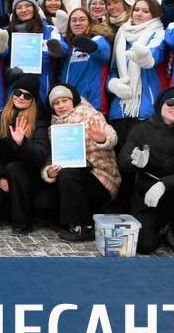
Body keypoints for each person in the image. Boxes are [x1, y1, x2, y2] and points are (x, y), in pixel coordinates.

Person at [118, 87, 174, 254]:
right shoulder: (141, 129)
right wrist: (135, 162)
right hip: (147, 194)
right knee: (145, 246)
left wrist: (165, 184)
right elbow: (123, 161)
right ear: (160, 104)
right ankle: (156, 226)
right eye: (171, 102)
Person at [41, 83, 120, 242]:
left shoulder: (91, 116)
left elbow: (112, 136)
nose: (61, 105)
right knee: (43, 204)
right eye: (56, 103)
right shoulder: (53, 127)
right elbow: (52, 157)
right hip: (72, 179)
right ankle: (74, 220)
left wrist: (102, 138)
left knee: (68, 173)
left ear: (73, 100)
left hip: (100, 177)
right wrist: (49, 171)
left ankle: (83, 226)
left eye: (65, 100)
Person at [0, 75, 50, 235]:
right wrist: (0, 177)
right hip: (6, 176)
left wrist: (23, 143)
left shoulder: (38, 121)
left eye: (27, 95)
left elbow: (40, 156)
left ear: (33, 100)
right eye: (18, 93)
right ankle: (17, 209)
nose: (21, 97)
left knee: (15, 168)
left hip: (30, 177)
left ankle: (22, 224)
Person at [107, 0, 165, 124]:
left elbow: (156, 54)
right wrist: (113, 84)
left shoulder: (158, 33)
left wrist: (146, 57)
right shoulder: (123, 34)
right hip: (119, 110)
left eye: (145, 11)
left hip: (147, 109)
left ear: (154, 14)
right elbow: (113, 70)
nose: (139, 14)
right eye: (136, 9)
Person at [7, 0, 67, 101]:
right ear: (15, 12)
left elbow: (62, 47)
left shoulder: (49, 29)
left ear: (35, 8)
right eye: (19, 7)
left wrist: (56, 49)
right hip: (17, 87)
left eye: (28, 6)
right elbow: (3, 59)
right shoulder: (9, 32)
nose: (24, 10)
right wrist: (10, 72)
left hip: (42, 83)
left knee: (40, 110)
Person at [60, 7, 112, 113]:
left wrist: (91, 47)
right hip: (69, 106)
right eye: (73, 20)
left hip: (92, 105)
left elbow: (104, 52)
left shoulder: (97, 39)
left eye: (82, 19)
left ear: (89, 22)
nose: (77, 23)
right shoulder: (68, 46)